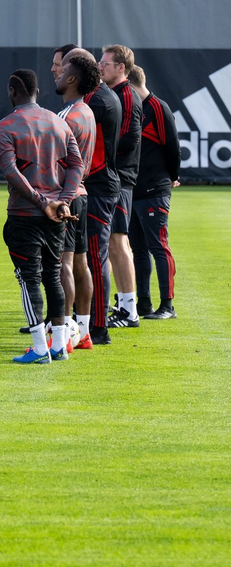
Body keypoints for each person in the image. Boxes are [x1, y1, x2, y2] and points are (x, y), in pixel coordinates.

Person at [0, 69, 84, 364]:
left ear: (12, 91)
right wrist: (63, 200)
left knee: (29, 279)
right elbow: (76, 165)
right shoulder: (59, 123)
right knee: (53, 275)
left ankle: (39, 347)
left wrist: (43, 201)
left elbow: (10, 170)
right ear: (38, 91)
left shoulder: (6, 126)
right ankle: (58, 346)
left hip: (25, 214)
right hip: (57, 215)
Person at [68, 46, 122, 345]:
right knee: (87, 256)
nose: (58, 72)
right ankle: (83, 323)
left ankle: (97, 327)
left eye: (63, 67)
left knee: (94, 256)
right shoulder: (96, 99)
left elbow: (94, 156)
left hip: (98, 187)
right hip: (97, 184)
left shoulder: (95, 101)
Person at [53, 51, 102, 349]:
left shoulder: (67, 116)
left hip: (66, 198)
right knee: (80, 265)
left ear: (72, 79)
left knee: (64, 265)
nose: (56, 74)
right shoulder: (87, 112)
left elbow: (56, 162)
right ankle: (83, 331)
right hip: (81, 195)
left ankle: (65, 333)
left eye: (61, 71)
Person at [126, 65, 180, 320]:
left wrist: (172, 177)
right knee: (138, 250)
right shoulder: (133, 108)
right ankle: (144, 303)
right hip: (134, 190)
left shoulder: (158, 107)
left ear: (132, 83)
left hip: (154, 189)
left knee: (159, 246)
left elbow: (173, 146)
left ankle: (167, 305)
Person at [99, 44, 143, 328]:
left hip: (120, 179)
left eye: (106, 63)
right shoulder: (115, 94)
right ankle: (122, 304)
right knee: (113, 242)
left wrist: (99, 153)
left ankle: (130, 309)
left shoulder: (127, 95)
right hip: (114, 177)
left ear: (121, 68)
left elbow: (130, 139)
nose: (101, 66)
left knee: (118, 241)